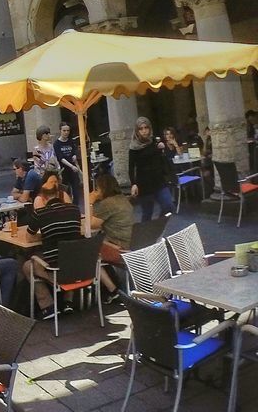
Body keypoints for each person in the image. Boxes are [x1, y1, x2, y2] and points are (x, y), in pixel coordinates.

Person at [22, 180, 83, 319]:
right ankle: (68, 302)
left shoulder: (40, 213)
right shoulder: (74, 209)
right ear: (59, 194)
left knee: (28, 266)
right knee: (68, 254)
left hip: (55, 267)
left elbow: (29, 238)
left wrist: (45, 236)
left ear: (42, 198)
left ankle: (48, 306)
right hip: (77, 263)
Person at [89, 174, 133, 302]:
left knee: (88, 253)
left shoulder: (108, 204)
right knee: (95, 245)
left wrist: (90, 202)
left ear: (103, 188)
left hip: (118, 248)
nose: (95, 192)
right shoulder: (122, 199)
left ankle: (112, 290)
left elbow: (91, 225)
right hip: (130, 244)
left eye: (96, 189)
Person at [129, 116, 174, 220]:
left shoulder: (154, 142)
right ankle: (146, 234)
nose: (144, 131)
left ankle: (157, 226)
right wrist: (133, 184)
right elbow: (131, 167)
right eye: (141, 129)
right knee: (147, 213)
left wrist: (162, 149)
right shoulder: (134, 147)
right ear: (137, 131)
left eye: (146, 127)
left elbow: (162, 159)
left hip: (159, 181)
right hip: (144, 184)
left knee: (169, 206)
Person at [53, 123, 82, 196]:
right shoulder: (56, 143)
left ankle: (76, 205)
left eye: (68, 131)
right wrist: (71, 166)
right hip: (64, 169)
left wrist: (75, 155)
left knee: (76, 189)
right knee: (65, 190)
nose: (66, 132)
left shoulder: (71, 141)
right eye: (64, 130)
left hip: (74, 169)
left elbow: (74, 151)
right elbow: (60, 158)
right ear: (60, 131)